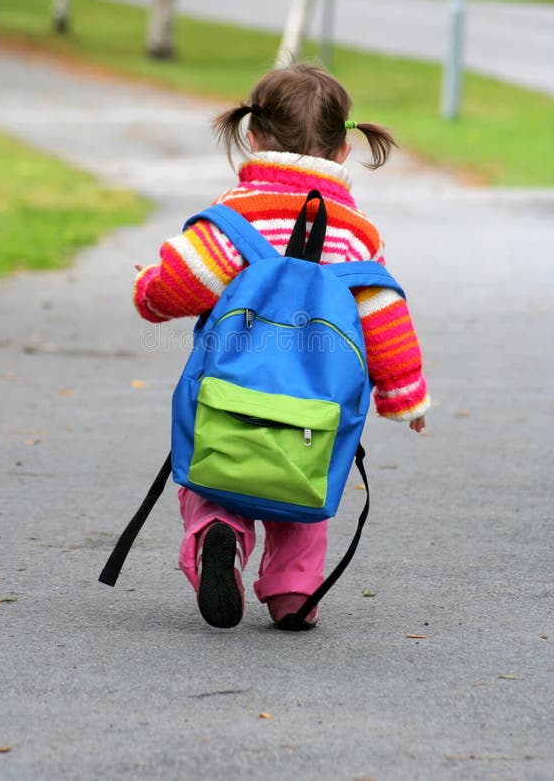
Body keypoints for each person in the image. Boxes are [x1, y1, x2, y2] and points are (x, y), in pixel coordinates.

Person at [133, 63, 429, 631]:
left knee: (214, 471)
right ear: (344, 150)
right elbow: (383, 312)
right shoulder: (353, 232)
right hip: (312, 407)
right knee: (302, 482)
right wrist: (403, 394)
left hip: (229, 389)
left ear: (252, 135)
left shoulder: (236, 214)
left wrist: (147, 290)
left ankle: (217, 533)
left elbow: (180, 285)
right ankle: (294, 592)